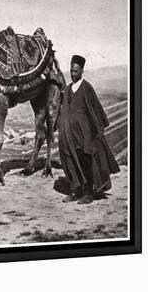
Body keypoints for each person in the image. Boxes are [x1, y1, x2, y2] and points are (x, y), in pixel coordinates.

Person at [58, 55, 120, 204]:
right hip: (70, 135)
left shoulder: (87, 87)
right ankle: (75, 191)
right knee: (72, 161)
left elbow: (95, 109)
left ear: (82, 71)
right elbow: (64, 111)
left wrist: (94, 134)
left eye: (76, 71)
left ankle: (88, 194)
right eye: (71, 71)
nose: (73, 74)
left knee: (86, 162)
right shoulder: (67, 89)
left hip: (85, 135)